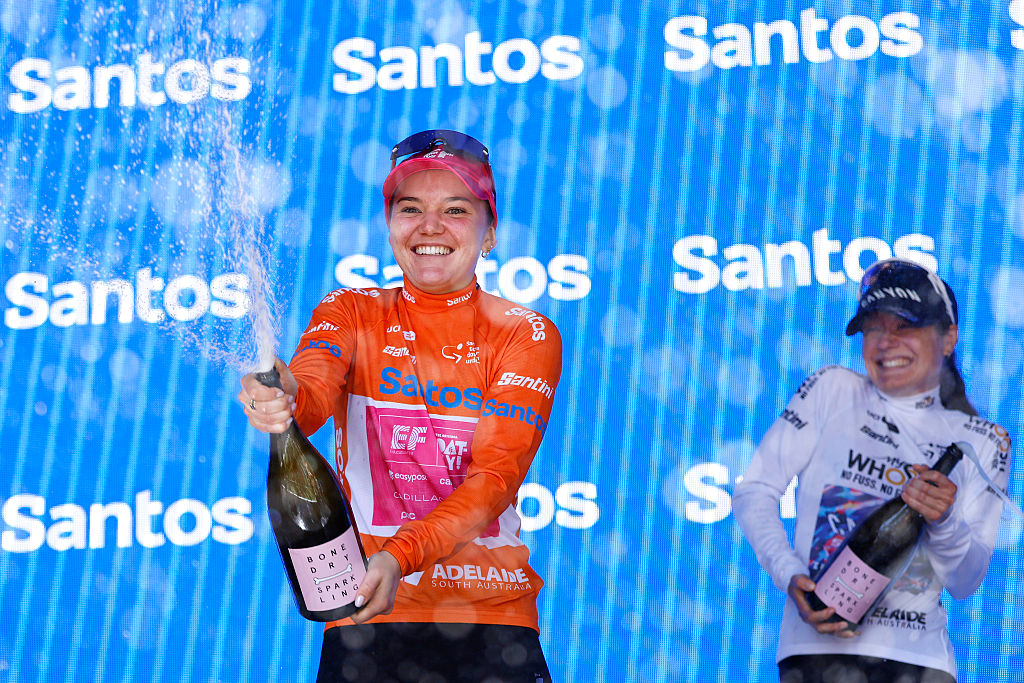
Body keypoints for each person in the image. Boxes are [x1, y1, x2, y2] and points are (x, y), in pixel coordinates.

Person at [238, 130, 561, 682]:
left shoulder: (525, 333)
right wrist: (281, 395)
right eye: (410, 208)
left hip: (493, 621)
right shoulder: (351, 311)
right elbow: (311, 395)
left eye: (455, 209)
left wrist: (397, 555)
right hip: (367, 621)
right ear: (390, 228)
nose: (430, 227)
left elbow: (494, 479)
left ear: (490, 234)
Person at [733, 258, 1011, 683]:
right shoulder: (831, 388)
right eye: (874, 328)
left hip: (921, 665)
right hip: (815, 656)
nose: (885, 342)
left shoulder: (984, 440)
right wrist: (789, 574)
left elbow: (966, 582)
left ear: (949, 337)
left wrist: (944, 519)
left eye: (904, 327)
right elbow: (755, 489)